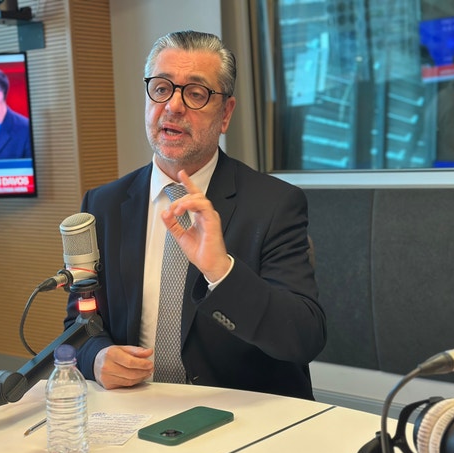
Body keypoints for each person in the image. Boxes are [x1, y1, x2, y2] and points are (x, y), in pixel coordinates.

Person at [64, 30, 326, 400]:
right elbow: (80, 320)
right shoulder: (103, 204)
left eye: (196, 93)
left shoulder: (275, 204)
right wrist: (95, 356)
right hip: (136, 410)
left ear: (226, 113)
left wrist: (221, 271)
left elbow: (303, 338)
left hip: (239, 415)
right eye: (161, 88)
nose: (173, 106)